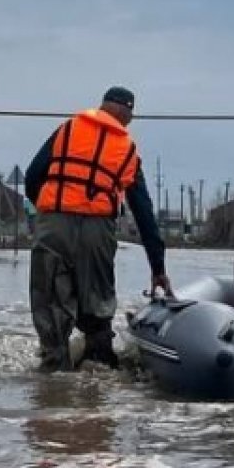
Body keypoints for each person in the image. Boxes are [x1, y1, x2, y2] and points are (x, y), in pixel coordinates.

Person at [24, 86, 172, 372]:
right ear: (126, 113)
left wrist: (49, 209)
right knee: (98, 302)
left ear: (103, 106)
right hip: (97, 229)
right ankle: (98, 369)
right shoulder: (126, 149)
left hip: (53, 223)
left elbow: (33, 176)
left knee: (51, 302)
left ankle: (54, 370)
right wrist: (158, 267)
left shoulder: (67, 130)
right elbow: (143, 213)